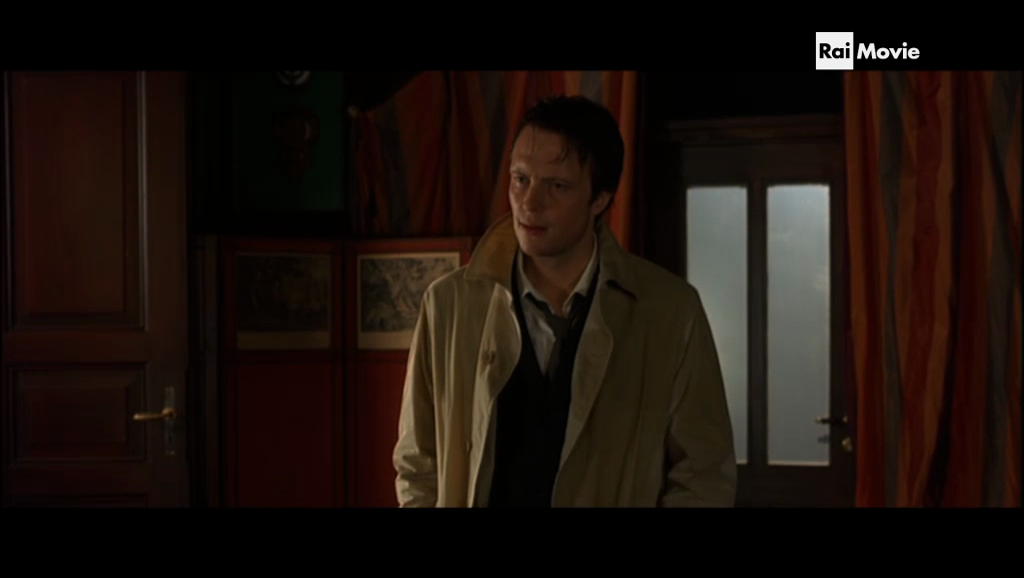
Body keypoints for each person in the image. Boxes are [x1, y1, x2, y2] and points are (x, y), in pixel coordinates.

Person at [392, 94, 737, 507]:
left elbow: (702, 473)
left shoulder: (669, 311)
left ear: (600, 198)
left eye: (556, 185)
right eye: (520, 179)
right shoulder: (449, 305)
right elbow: (418, 464)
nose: (529, 203)